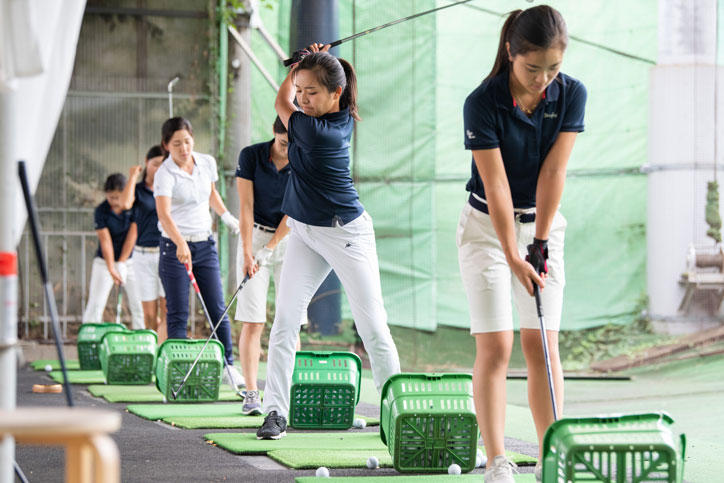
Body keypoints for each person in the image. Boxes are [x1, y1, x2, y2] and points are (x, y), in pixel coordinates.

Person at [457, 6, 586, 482]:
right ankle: (497, 459)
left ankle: (552, 456)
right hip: (486, 230)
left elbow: (554, 171)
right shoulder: (482, 102)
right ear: (511, 52)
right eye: (533, 68)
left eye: (553, 68)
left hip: (542, 225)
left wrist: (541, 241)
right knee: (496, 345)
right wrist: (513, 253)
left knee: (542, 344)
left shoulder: (572, 94)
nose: (542, 79)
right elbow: (496, 186)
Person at [256, 43, 401, 440]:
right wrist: (303, 68)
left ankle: (398, 411)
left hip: (345, 234)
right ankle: (275, 411)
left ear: (336, 93)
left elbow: (281, 102)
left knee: (373, 328)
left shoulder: (320, 132)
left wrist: (296, 70)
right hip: (304, 230)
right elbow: (289, 99)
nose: (302, 99)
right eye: (300, 91)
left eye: (311, 92)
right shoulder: (324, 117)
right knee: (285, 322)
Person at [154, 117, 244, 387]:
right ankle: (178, 372)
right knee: (178, 312)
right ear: (166, 145)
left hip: (205, 245)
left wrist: (227, 217)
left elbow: (211, 194)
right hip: (174, 248)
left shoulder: (206, 163)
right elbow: (164, 214)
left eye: (187, 141)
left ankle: (228, 366)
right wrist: (180, 243)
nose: (184, 148)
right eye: (177, 144)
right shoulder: (164, 174)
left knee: (217, 308)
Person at [235, 116, 304, 416]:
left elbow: (294, 211)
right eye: (284, 143)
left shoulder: (303, 159)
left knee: (290, 320)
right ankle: (251, 393)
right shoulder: (251, 156)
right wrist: (248, 252)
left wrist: (270, 248)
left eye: (294, 144)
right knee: (253, 320)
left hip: (290, 239)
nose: (288, 149)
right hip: (254, 236)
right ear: (274, 133)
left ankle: (288, 392)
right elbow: (246, 207)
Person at [82, 173, 144, 329]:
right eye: (111, 197)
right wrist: (112, 268)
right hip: (104, 262)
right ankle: (90, 336)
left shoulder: (134, 208)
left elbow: (132, 236)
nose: (115, 201)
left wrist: (122, 263)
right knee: (96, 303)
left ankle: (142, 335)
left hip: (130, 261)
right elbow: (105, 241)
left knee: (139, 303)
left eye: (118, 197)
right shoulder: (101, 210)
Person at [120, 145, 167, 343]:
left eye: (163, 165)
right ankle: (154, 348)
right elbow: (125, 204)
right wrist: (132, 176)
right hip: (142, 255)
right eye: (155, 164)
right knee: (149, 314)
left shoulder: (168, 188)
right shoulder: (139, 191)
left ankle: (165, 350)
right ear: (147, 163)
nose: (159, 169)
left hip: (165, 253)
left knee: (168, 310)